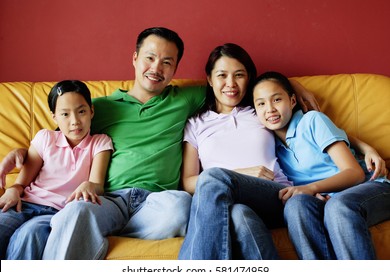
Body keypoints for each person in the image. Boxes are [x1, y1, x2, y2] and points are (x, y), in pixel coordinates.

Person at [0, 27, 319, 260]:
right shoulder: (98, 107)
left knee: (182, 208)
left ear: (176, 69)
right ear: (136, 58)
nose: (157, 68)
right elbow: (59, 127)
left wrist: (292, 85)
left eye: (167, 62)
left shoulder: (187, 100)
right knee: (75, 214)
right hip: (110, 199)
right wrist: (20, 172)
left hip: (159, 202)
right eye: (150, 58)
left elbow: (245, 86)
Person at [252, 71, 390, 259]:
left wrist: (311, 188)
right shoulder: (267, 145)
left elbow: (355, 173)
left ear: (293, 101)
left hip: (370, 186)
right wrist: (313, 193)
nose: (270, 109)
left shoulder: (312, 120)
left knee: (338, 207)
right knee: (295, 206)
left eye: (277, 100)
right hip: (323, 197)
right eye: (261, 104)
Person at [178, 43, 294, 260]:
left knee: (213, 177)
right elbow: (188, 182)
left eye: (239, 75)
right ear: (210, 80)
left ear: (249, 78)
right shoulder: (196, 123)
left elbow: (307, 135)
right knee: (239, 215)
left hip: (274, 196)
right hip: (227, 203)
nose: (230, 84)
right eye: (222, 75)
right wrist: (239, 175)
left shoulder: (260, 110)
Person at [0, 80, 113, 259]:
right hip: (24, 204)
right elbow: (22, 182)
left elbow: (97, 185)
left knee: (29, 235)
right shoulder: (45, 138)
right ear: (54, 117)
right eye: (65, 114)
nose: (75, 121)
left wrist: (88, 185)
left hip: (57, 212)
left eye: (81, 111)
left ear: (91, 111)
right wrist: (12, 191)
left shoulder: (100, 143)